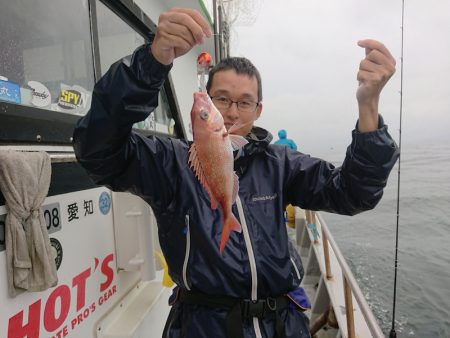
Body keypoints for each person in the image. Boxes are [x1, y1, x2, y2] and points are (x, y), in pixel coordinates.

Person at [73, 7, 399, 338]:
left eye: (244, 103)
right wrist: (151, 62)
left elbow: (354, 193)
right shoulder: (169, 163)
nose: (230, 112)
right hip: (202, 327)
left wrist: (368, 105)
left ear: (258, 110)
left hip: (284, 325)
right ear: (206, 102)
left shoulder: (280, 164)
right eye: (221, 100)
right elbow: (97, 151)